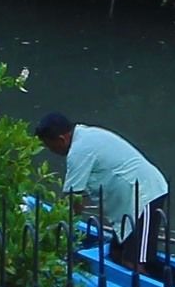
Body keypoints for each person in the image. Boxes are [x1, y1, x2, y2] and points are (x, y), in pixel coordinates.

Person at [37, 111, 168, 267]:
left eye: (49, 145)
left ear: (61, 139)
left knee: (135, 262)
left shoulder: (79, 151)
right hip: (129, 203)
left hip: (146, 196)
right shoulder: (86, 134)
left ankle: (142, 286)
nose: (50, 150)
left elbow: (74, 199)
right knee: (116, 253)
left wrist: (61, 234)